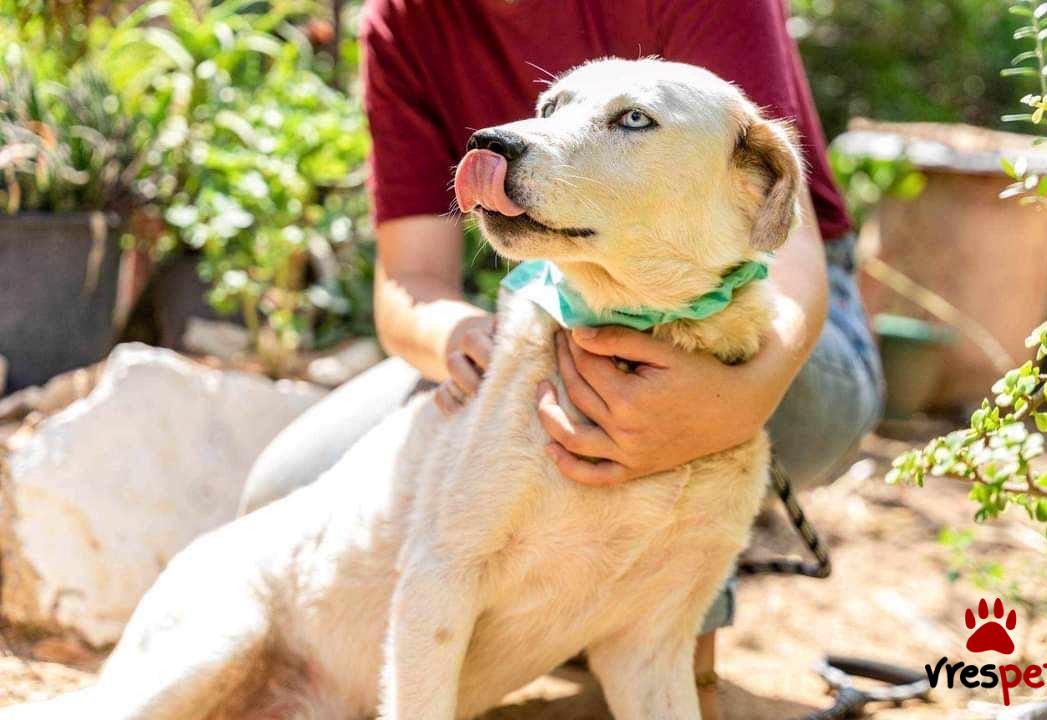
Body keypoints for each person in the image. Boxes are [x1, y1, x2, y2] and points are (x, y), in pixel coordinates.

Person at [238, 1, 884, 716]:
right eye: (549, 106)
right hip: (561, 293)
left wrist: (731, 404)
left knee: (687, 380)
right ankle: (574, 604)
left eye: (630, 119)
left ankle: (678, 643)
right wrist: (460, 338)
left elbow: (776, 243)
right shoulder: (407, 19)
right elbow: (411, 280)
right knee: (283, 493)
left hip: (782, 295)